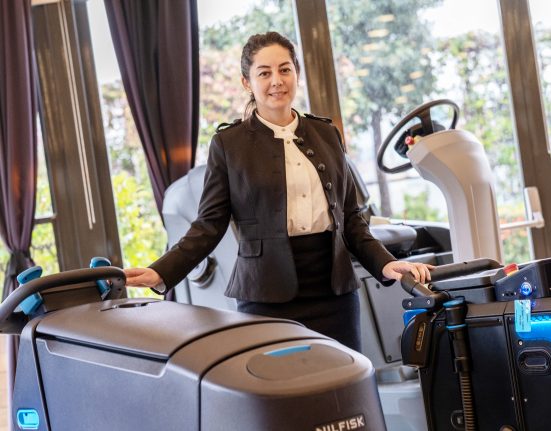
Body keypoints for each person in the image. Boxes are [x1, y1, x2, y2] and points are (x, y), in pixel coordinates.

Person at [124, 31, 432, 351]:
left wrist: (385, 264)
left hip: (335, 294)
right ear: (247, 82)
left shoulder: (326, 133)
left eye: (285, 69)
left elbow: (351, 219)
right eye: (264, 73)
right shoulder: (229, 144)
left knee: (345, 381)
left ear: (296, 73)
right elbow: (209, 225)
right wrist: (160, 273)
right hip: (266, 297)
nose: (277, 81)